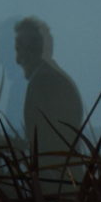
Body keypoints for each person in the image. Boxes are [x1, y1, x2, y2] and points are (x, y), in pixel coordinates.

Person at [12, 17, 84, 155]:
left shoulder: (44, 83)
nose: (17, 60)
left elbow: (48, 141)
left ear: (31, 51)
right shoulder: (52, 79)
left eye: (18, 49)